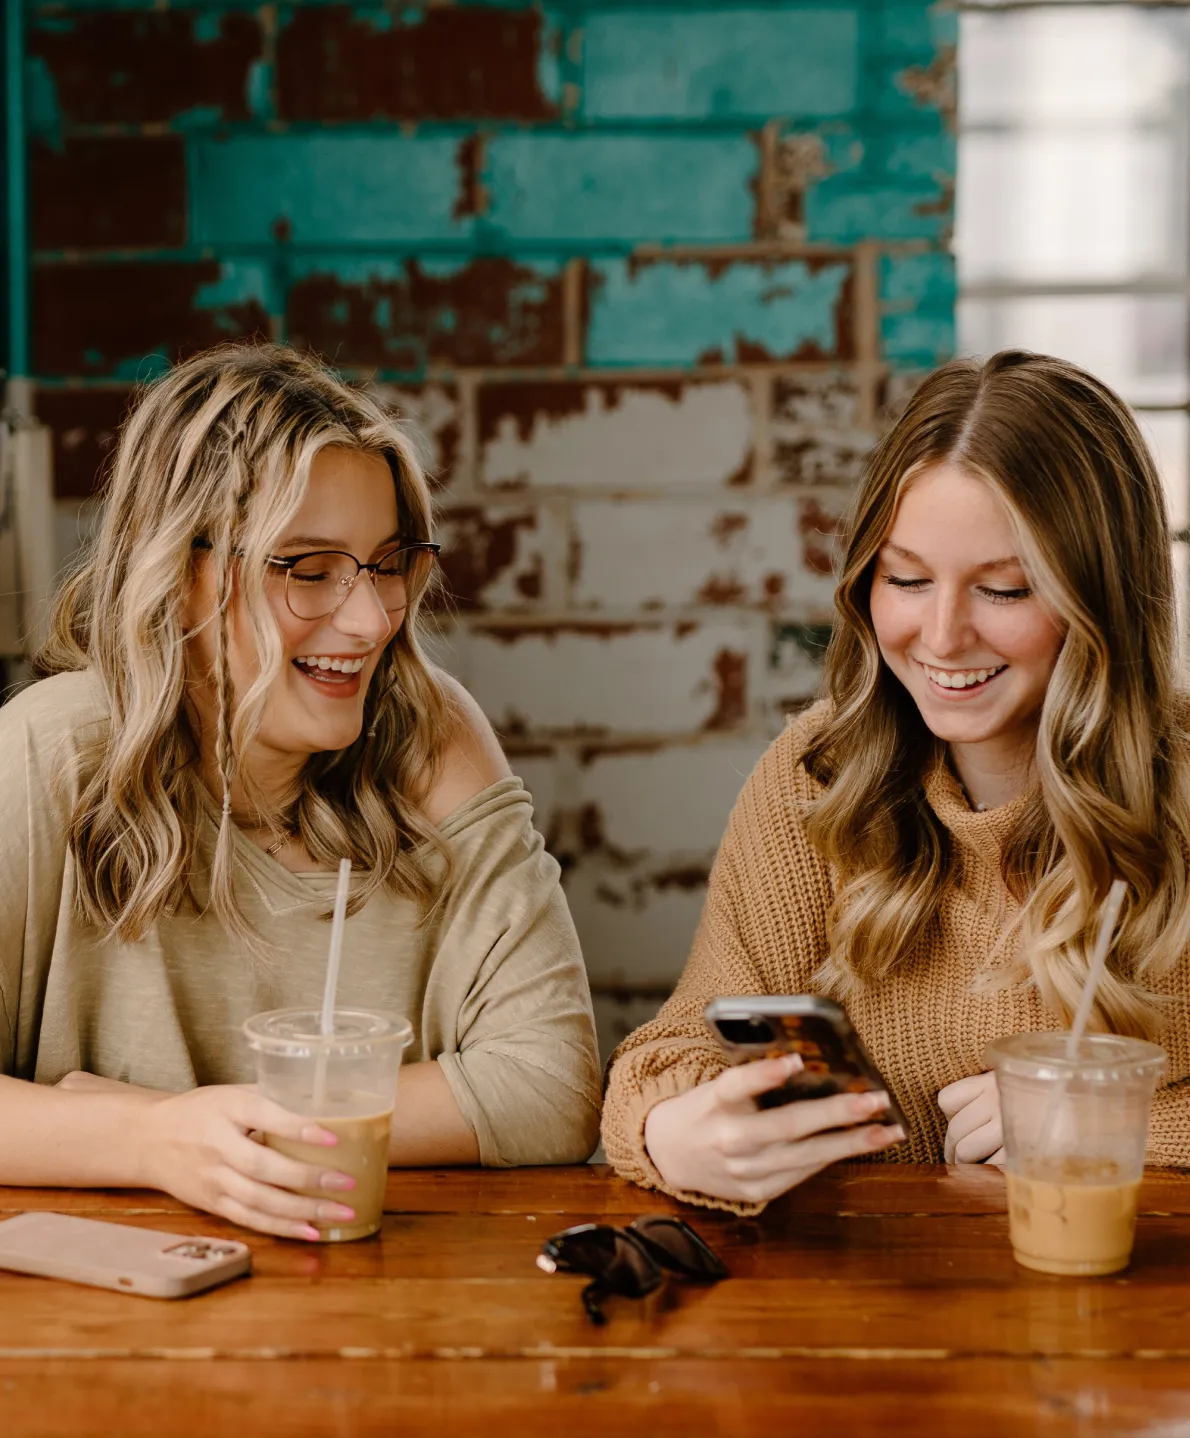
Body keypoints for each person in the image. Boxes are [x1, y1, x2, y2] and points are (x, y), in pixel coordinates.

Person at [0, 343, 600, 1239]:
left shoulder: (429, 737)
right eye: (309, 569)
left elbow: (553, 1086)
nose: (369, 621)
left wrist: (207, 1123)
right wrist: (149, 1140)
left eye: (387, 563)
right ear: (181, 572)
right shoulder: (53, 748)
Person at [602, 349, 1190, 1214]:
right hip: (870, 1314)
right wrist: (675, 1131)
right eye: (906, 579)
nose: (942, 637)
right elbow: (670, 1053)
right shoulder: (820, 776)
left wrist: (1127, 1126)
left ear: (1100, 597)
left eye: (1006, 589)